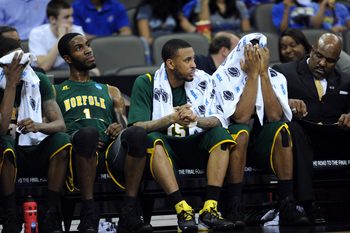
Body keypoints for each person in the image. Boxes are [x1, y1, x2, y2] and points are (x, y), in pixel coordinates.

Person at [128, 38, 236, 232]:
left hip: (196, 146)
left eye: (193, 59)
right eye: (187, 60)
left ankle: (210, 209)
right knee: (152, 139)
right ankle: (181, 209)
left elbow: (220, 119)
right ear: (170, 64)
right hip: (167, 150)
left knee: (221, 134)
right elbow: (137, 126)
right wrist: (171, 119)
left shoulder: (204, 80)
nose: (194, 65)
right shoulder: (146, 82)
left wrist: (196, 119)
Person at [55, 33, 153, 233]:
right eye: (79, 48)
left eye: (88, 45)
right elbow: (53, 130)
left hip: (109, 153)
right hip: (77, 152)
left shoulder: (110, 90)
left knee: (136, 134)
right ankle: (89, 213)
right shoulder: (57, 91)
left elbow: (125, 127)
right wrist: (79, 137)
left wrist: (119, 129)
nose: (88, 49)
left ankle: (129, 211)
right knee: (88, 135)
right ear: (67, 59)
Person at [213, 33, 310, 227]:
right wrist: (252, 75)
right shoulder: (222, 75)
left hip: (260, 145)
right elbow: (239, 117)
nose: (256, 56)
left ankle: (286, 203)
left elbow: (274, 115)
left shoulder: (276, 77)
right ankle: (234, 203)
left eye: (260, 51)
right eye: (251, 51)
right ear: (241, 51)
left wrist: (263, 73)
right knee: (241, 131)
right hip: (230, 147)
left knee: (282, 128)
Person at [273, 33, 350, 224]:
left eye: (330, 60)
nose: (323, 63)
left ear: (337, 61)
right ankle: (306, 202)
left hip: (335, 139)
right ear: (311, 51)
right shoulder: (284, 72)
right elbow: (268, 108)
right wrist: (286, 103)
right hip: (300, 141)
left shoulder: (346, 80)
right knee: (293, 129)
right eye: (319, 56)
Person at [0, 37, 71, 233]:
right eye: (13, 64)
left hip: (36, 148)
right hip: (9, 153)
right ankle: (10, 215)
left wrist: (38, 125)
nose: (20, 68)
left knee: (62, 141)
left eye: (22, 62)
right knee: (3, 141)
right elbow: (2, 127)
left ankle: (50, 212)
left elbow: (60, 125)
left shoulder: (38, 80)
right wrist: (11, 86)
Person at [28, 0, 84, 72]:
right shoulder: (37, 33)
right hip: (45, 76)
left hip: (71, 73)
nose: (71, 20)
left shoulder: (77, 30)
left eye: (71, 16)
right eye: (66, 17)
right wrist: (61, 38)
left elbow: (83, 62)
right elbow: (44, 67)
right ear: (52, 19)